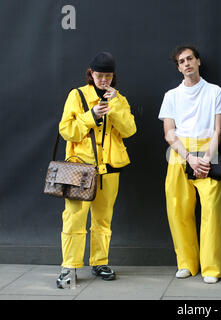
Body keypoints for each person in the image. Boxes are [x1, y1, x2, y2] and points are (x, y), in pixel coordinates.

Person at [56, 52, 136, 288]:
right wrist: (90, 117)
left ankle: (99, 262)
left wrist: (114, 108)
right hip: (80, 168)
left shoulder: (118, 99)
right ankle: (69, 266)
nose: (104, 81)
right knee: (74, 219)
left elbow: (130, 129)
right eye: (99, 75)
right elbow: (66, 130)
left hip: (109, 168)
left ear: (113, 76)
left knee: (103, 219)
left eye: (108, 76)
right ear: (91, 73)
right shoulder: (77, 95)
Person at [158, 45, 221, 284]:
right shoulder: (171, 96)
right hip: (180, 153)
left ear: (198, 61)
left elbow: (220, 129)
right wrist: (189, 157)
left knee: (212, 211)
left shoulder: (215, 92)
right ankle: (187, 263)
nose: (187, 63)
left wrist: (206, 159)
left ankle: (211, 267)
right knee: (178, 210)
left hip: (209, 150)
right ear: (178, 67)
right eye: (182, 61)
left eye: (190, 58)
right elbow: (169, 133)